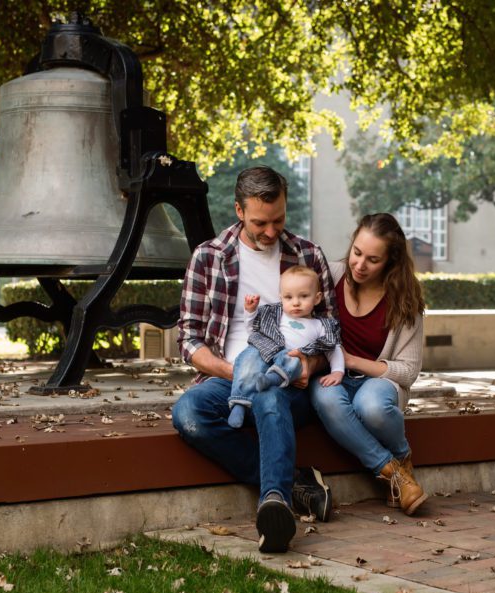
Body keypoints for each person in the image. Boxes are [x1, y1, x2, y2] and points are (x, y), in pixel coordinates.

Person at [171, 166, 335, 554]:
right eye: (261, 222)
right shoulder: (209, 257)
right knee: (189, 412)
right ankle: (294, 484)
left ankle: (273, 503)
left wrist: (309, 368)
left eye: (279, 220)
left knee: (268, 393)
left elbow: (331, 334)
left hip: (289, 381)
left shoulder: (308, 255)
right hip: (228, 377)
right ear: (239, 211)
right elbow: (189, 339)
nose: (271, 231)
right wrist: (235, 372)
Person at [309, 213, 429, 515]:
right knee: (326, 398)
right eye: (357, 253)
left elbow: (408, 371)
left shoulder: (405, 299)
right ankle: (397, 473)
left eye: (373, 260)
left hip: (377, 383)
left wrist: (353, 361)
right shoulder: (330, 275)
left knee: (371, 406)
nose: (360, 265)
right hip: (331, 377)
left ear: (390, 261)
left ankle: (403, 454)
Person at [228, 265, 344, 429]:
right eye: (288, 297)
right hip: (266, 354)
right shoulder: (275, 315)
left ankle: (271, 379)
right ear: (281, 297)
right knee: (248, 358)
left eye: (303, 296)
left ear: (317, 298)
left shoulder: (321, 324)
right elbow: (254, 332)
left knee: (294, 361)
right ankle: (239, 402)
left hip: (292, 359)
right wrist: (251, 312)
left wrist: (338, 372)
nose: (296, 303)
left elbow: (333, 347)